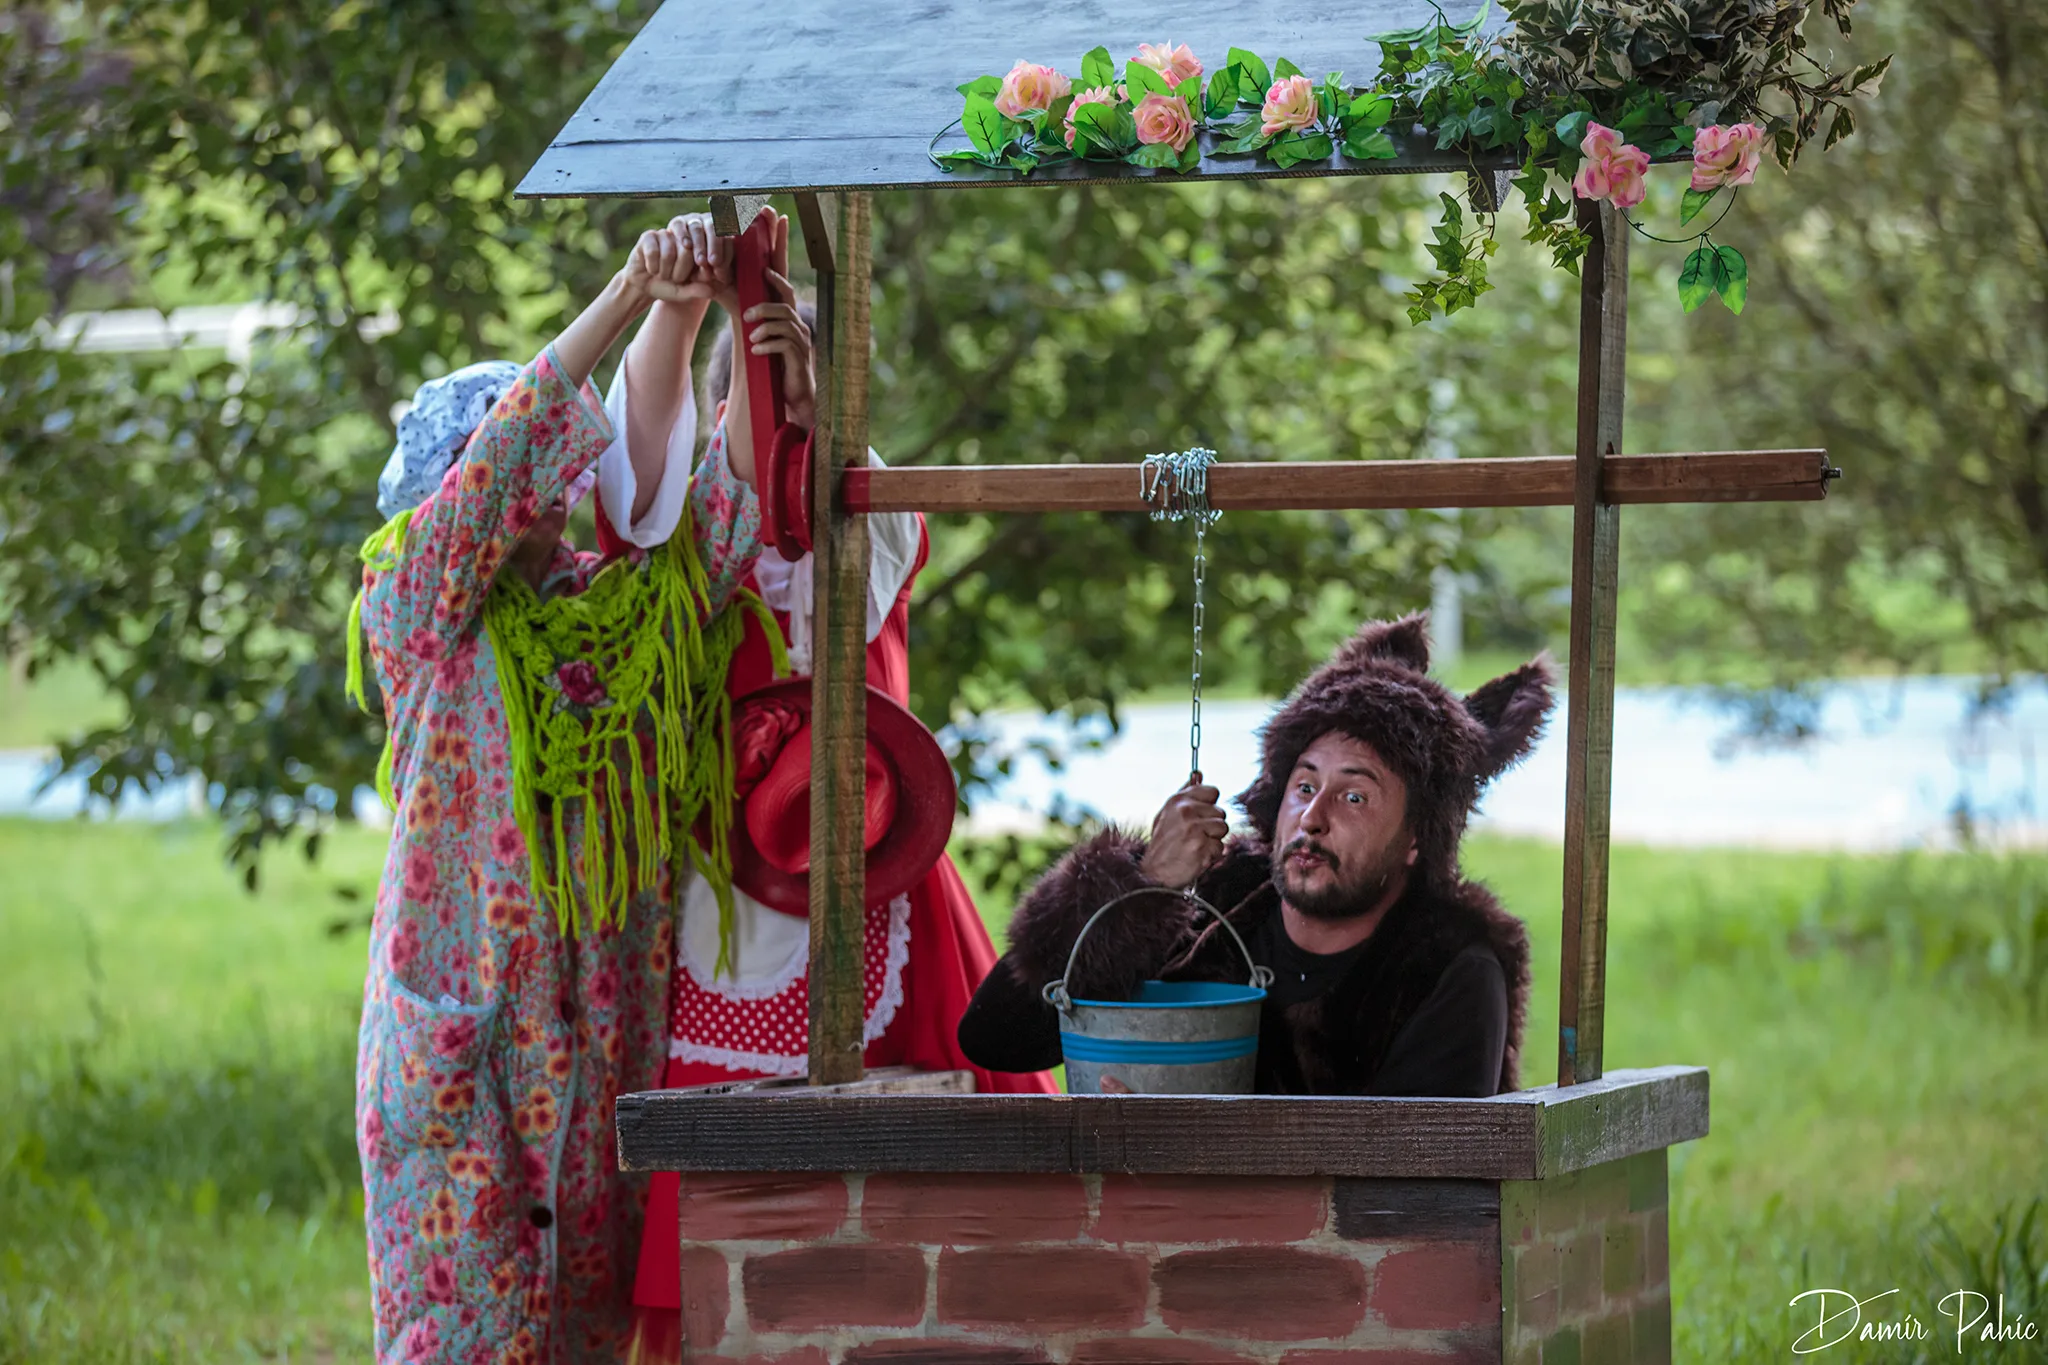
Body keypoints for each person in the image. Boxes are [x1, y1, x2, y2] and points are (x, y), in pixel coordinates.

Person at [623, 209, 1057, 1365]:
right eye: (751, 391)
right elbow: (657, 480)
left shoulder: (876, 510)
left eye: (796, 384)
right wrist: (700, 326)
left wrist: (818, 420)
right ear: (719, 405)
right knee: (722, 1189)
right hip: (724, 884)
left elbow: (849, 568)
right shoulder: (689, 531)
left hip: (874, 869)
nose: (771, 411)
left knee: (922, 1183)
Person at [348, 224, 763, 1364]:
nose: (535, 489)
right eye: (497, 465)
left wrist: (723, 313)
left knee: (580, 1336)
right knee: (459, 1339)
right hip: (460, 1061)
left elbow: (721, 528)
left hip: (594, 1051)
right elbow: (490, 486)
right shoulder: (416, 613)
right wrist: (626, 293)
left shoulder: (613, 622)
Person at [957, 613, 1555, 1097]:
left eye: (1354, 796)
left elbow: (1415, 1183)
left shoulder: (1446, 968)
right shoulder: (1217, 910)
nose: (1313, 817)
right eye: (1304, 785)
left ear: (1416, 839)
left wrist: (1174, 1140)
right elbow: (995, 1037)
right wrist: (1143, 885)